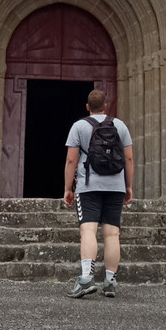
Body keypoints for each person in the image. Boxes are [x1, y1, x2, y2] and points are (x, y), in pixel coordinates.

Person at [62, 88, 133, 298]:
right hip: (116, 186)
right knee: (112, 234)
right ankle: (110, 281)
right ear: (105, 106)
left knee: (88, 231)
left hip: (89, 185)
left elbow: (71, 160)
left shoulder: (79, 126)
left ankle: (86, 279)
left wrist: (68, 188)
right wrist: (128, 186)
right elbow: (129, 158)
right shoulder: (120, 125)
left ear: (87, 107)